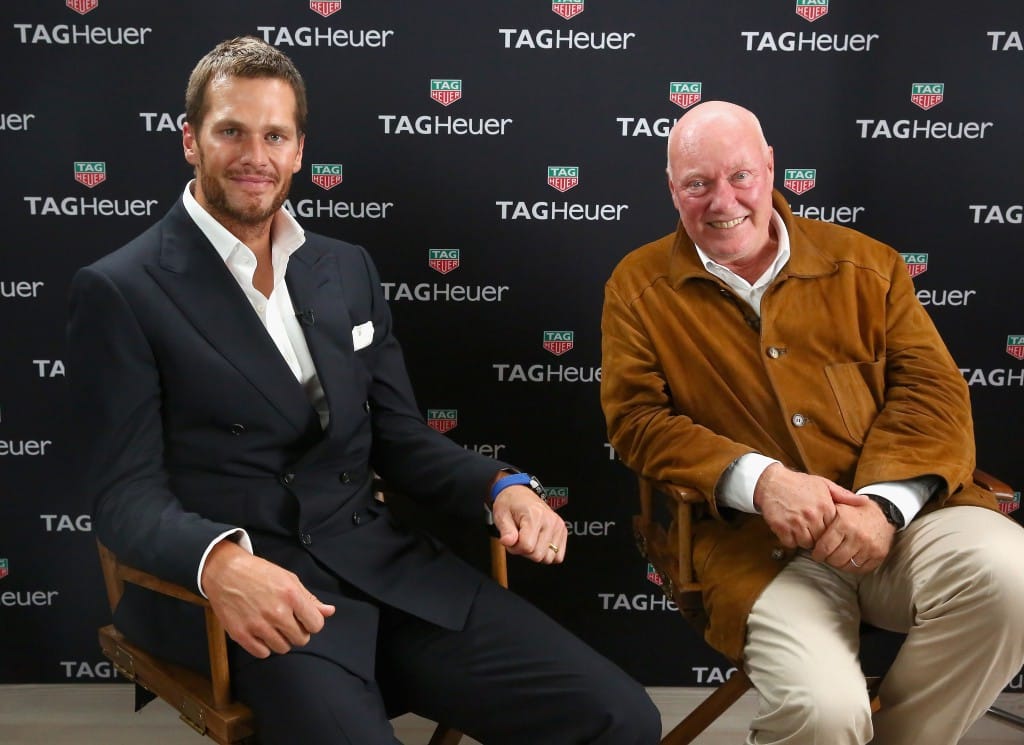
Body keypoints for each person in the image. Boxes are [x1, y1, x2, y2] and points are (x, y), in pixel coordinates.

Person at [67, 36, 660, 745]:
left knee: (622, 719)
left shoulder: (346, 269)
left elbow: (401, 438)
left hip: (384, 567)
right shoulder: (121, 288)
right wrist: (221, 563)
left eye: (274, 135)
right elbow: (123, 497)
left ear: (298, 151)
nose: (255, 154)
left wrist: (500, 484)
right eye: (231, 131)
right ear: (190, 139)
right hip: (254, 602)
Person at [600, 100, 1024, 745]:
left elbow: (931, 393)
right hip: (754, 547)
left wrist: (882, 507)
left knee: (1013, 578)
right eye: (698, 183)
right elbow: (636, 421)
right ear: (671, 188)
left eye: (741, 176)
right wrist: (762, 481)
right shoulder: (636, 284)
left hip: (901, 526)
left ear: (772, 168)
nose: (723, 201)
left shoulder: (869, 262)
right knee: (824, 713)